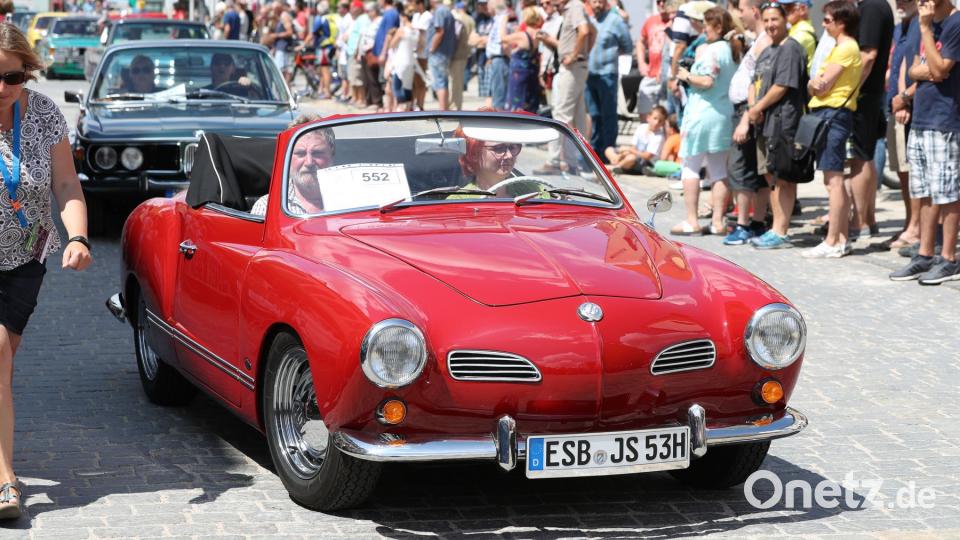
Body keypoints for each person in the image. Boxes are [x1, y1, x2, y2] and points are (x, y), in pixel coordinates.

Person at [0, 23, 92, 520]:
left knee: (2, 362)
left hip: (25, 257)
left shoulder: (46, 116)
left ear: (27, 73)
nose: (1, 89)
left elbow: (66, 184)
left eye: (12, 77)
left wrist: (76, 237)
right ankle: (5, 479)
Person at [889, 0, 959, 283]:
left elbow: (940, 70)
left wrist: (927, 30)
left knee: (949, 192)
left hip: (946, 119)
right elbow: (914, 71)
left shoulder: (953, 24)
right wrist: (928, 68)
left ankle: (949, 258)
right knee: (926, 191)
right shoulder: (923, 23)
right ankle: (925, 254)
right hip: (922, 116)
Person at [744, 1, 808, 249]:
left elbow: (782, 86)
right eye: (767, 20)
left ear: (785, 21)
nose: (771, 25)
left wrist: (758, 108)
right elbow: (754, 82)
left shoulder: (790, 49)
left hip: (783, 122)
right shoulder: (767, 49)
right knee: (770, 176)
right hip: (763, 121)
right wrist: (753, 108)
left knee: (783, 178)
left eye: (775, 20)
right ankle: (775, 227)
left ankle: (781, 230)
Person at [670, 7, 738, 236]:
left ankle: (692, 220)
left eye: (707, 26)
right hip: (722, 113)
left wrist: (686, 76)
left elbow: (708, 81)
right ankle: (718, 221)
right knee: (718, 169)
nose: (703, 30)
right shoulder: (730, 49)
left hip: (702, 113)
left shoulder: (712, 50)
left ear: (718, 27)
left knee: (690, 166)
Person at [801, 0, 861, 258]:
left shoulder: (846, 47)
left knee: (833, 181)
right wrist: (814, 84)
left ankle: (832, 239)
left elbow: (820, 85)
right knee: (835, 180)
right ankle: (841, 237)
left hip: (833, 114)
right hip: (829, 113)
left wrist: (815, 84)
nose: (823, 24)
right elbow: (814, 84)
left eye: (827, 20)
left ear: (841, 22)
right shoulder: (841, 46)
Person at [847, 0, 893, 241]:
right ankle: (868, 219)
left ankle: (860, 221)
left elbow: (868, 55)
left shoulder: (872, 7)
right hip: (869, 94)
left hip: (864, 95)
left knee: (860, 158)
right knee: (865, 157)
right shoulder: (874, 6)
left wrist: (850, 91)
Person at [727, 0, 770, 245]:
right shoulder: (758, 39)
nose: (739, 15)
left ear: (754, 11)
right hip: (746, 109)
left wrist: (745, 119)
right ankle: (755, 222)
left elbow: (759, 84)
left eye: (742, 10)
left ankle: (745, 223)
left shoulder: (764, 41)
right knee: (754, 168)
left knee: (742, 168)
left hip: (747, 110)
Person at [536, 0, 592, 173]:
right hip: (574, 66)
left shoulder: (574, 6)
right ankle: (574, 161)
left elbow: (585, 31)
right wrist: (582, 54)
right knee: (575, 116)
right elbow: (591, 31)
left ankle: (554, 161)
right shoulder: (573, 8)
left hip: (572, 66)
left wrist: (574, 56)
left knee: (561, 114)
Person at [251, 115, 335, 216]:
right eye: (300, 153)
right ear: (288, 157)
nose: (309, 162)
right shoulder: (267, 207)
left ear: (332, 154)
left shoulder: (351, 197)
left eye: (317, 153)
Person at [886, 0, 920, 250]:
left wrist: (906, 99)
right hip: (898, 105)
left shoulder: (923, 25)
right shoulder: (901, 27)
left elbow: (923, 68)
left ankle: (916, 228)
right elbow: (899, 68)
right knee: (902, 170)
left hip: (913, 108)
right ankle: (910, 222)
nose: (901, 3)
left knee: (913, 174)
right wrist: (899, 98)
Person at [586, 0, 632, 159]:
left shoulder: (615, 21)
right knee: (594, 114)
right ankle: (594, 151)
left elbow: (627, 45)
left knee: (608, 114)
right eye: (594, 2)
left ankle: (608, 150)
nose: (597, 5)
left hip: (607, 74)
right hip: (589, 75)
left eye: (600, 1)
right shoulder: (590, 21)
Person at [635, 0, 676, 120]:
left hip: (666, 77)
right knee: (645, 114)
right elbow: (641, 42)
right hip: (650, 76)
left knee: (665, 118)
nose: (661, 5)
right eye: (659, 2)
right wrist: (642, 63)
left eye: (665, 1)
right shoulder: (650, 21)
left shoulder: (676, 21)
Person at [604, 104, 666, 174]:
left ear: (663, 124)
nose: (657, 122)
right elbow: (634, 147)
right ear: (648, 118)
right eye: (655, 118)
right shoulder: (641, 127)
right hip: (634, 154)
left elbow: (647, 156)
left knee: (631, 158)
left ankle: (615, 167)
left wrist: (629, 150)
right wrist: (621, 155)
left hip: (645, 163)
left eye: (660, 121)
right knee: (608, 150)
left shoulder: (659, 137)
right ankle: (620, 165)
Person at [502, 6, 542, 113]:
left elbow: (503, 38)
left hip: (518, 75)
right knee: (528, 103)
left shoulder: (522, 35)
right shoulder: (538, 33)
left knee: (516, 103)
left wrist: (503, 21)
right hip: (530, 72)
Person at [427, 0, 457, 110]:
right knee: (443, 82)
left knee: (440, 83)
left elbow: (440, 31)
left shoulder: (439, 11)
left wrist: (431, 48)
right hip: (445, 52)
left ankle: (443, 111)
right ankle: (445, 110)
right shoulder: (447, 11)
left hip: (438, 53)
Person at [450, 2, 475, 111]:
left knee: (454, 83)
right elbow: (472, 37)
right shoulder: (470, 19)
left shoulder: (456, 18)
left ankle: (454, 107)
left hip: (455, 54)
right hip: (463, 54)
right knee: (457, 83)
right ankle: (455, 106)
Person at [779, 0, 816, 69]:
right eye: (782, 7)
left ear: (802, 9)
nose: (784, 11)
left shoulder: (802, 34)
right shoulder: (795, 29)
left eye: (788, 7)